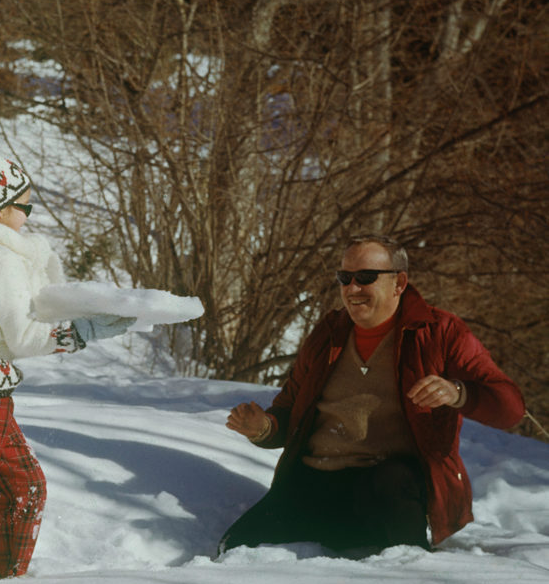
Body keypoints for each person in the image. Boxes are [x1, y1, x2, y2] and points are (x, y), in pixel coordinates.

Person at [0, 132, 134, 578]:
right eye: (25, 207)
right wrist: (87, 330)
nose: (29, 217)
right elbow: (27, 337)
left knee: (25, 486)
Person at [219, 235, 525, 554]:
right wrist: (262, 428)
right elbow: (287, 415)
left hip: (387, 490)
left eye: (366, 278)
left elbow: (510, 407)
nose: (353, 289)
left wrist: (457, 392)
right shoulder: (328, 334)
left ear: (399, 282)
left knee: (383, 558)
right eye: (345, 278)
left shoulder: (440, 332)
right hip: (315, 482)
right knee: (236, 551)